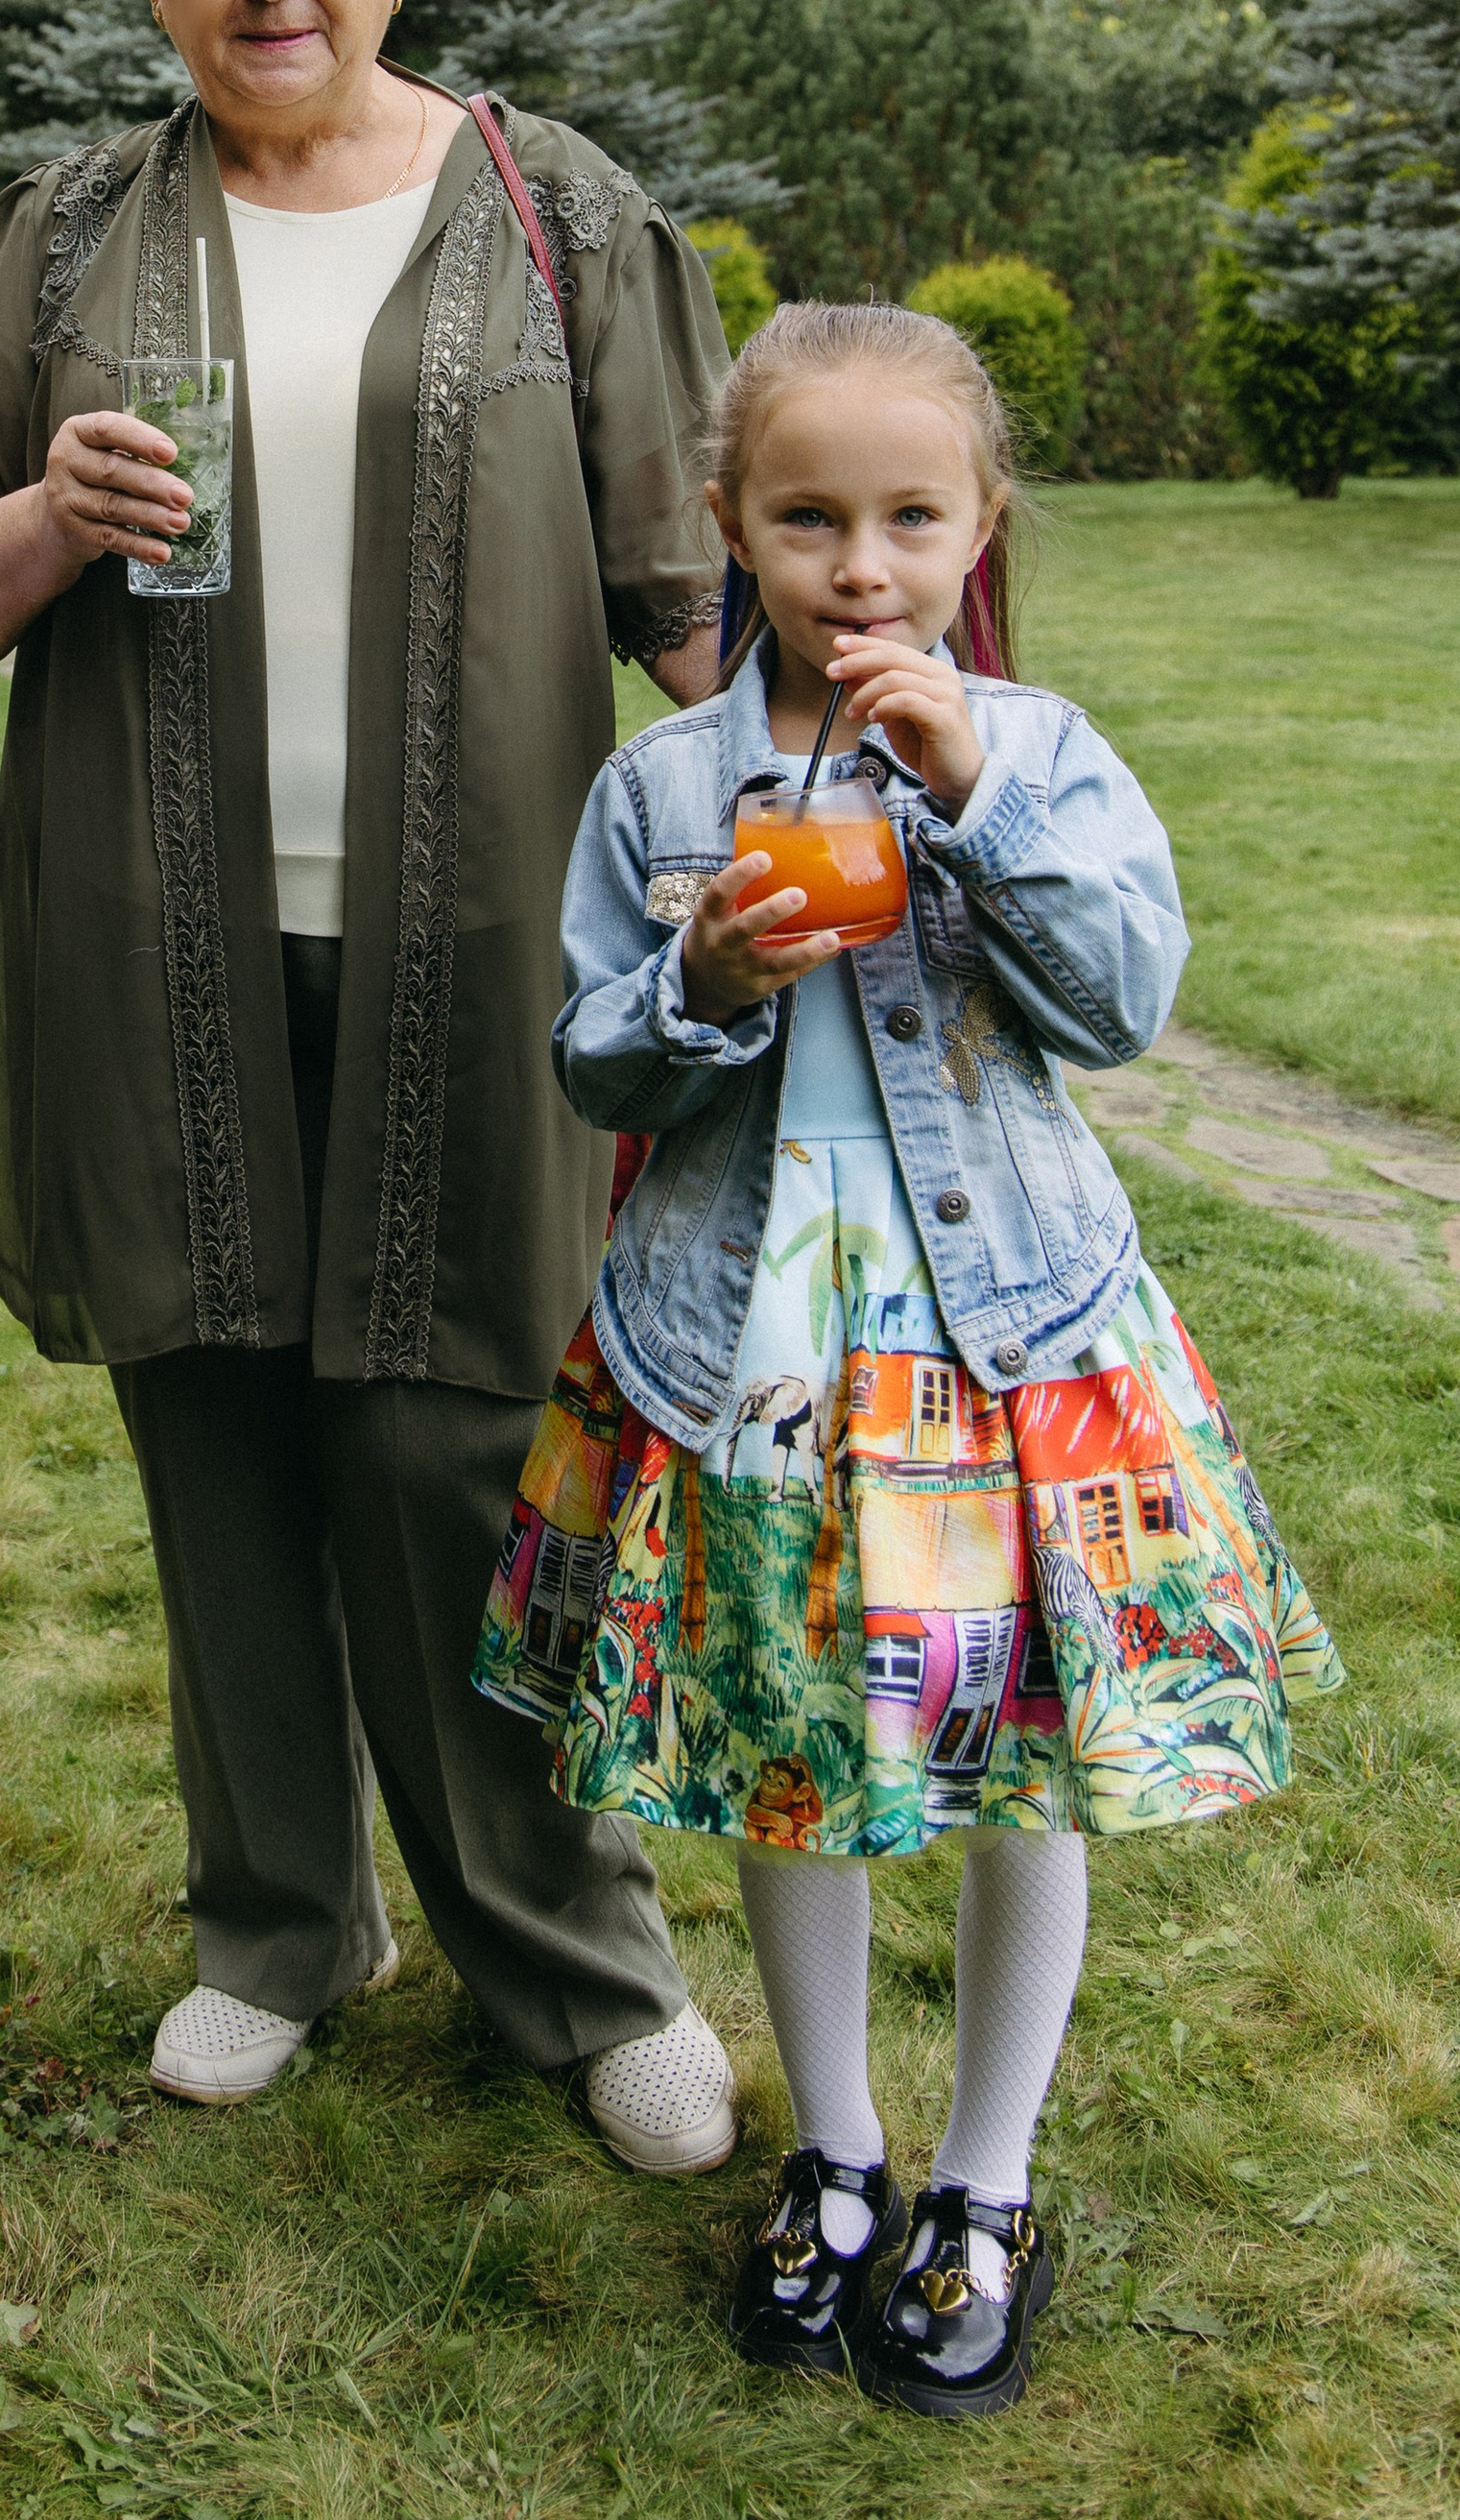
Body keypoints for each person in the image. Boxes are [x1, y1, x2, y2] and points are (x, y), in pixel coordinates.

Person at [0, 0, 743, 2168]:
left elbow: (688, 596)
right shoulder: (64, 237)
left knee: (457, 1439)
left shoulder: (551, 209)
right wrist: (47, 513)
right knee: (217, 1426)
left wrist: (848, 767)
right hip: (153, 929)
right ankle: (278, 1920)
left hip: (474, 945)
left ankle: (567, 1964)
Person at [475, 300, 1340, 2416]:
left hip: (997, 1337)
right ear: (729, 524)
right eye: (804, 517)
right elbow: (593, 1059)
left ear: (975, 525)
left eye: (904, 519)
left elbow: (1119, 998)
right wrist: (696, 967)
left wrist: (972, 801)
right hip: (746, 1336)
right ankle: (836, 2152)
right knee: (796, 1750)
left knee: (1010, 1762)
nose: (857, 566)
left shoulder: (1031, 748)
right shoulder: (666, 784)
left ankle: (985, 2175)